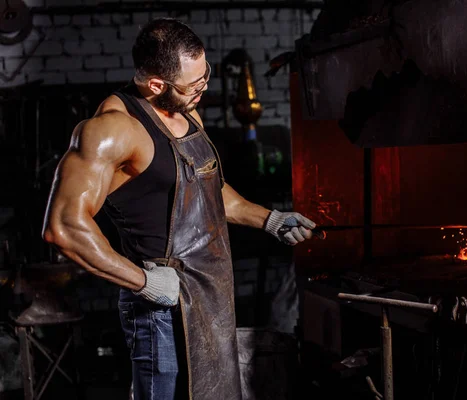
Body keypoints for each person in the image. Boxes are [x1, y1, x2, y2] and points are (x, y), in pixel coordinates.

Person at [42, 18, 316, 400]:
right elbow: (64, 226)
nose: (203, 89)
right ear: (157, 84)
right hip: (161, 311)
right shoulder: (111, 131)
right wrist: (144, 282)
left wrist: (269, 219)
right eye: (195, 84)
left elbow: (209, 192)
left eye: (206, 77)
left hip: (208, 298)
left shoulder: (186, 113)